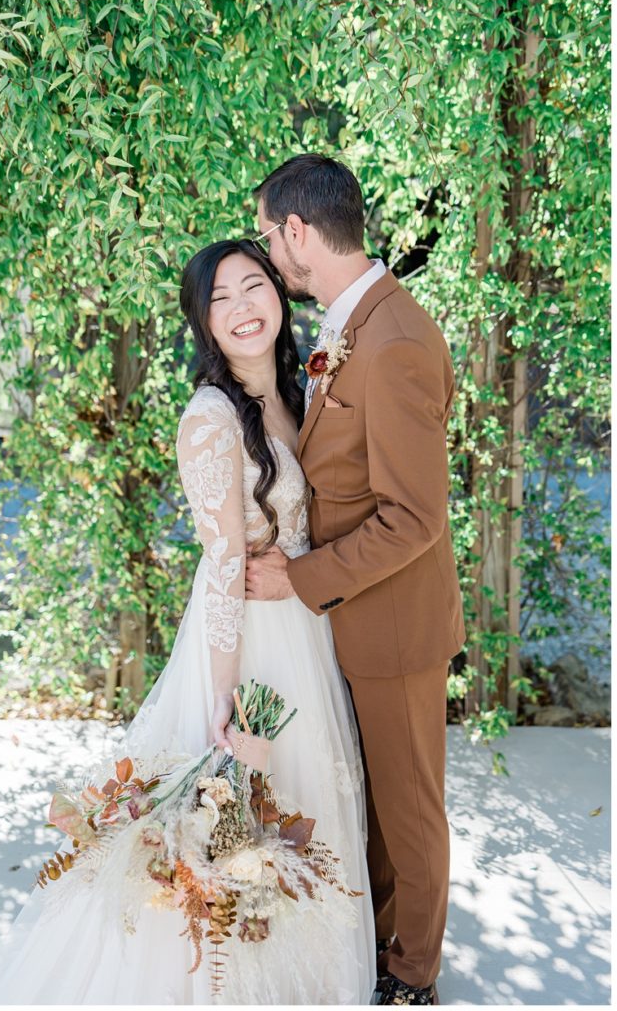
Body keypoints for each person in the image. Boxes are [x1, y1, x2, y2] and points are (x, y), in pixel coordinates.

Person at [0, 239, 376, 1004]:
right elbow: (222, 562)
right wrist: (218, 694)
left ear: (280, 296)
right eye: (220, 300)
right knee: (232, 822)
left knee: (301, 811)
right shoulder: (209, 417)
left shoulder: (299, 391)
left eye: (253, 286)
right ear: (202, 323)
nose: (242, 307)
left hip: (306, 633)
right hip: (248, 643)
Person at [246, 154, 465, 1005]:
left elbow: (415, 518)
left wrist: (301, 580)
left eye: (269, 236)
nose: (270, 256)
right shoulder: (355, 325)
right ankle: (375, 945)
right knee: (374, 807)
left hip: (393, 623)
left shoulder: (396, 340)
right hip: (351, 617)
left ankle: (412, 976)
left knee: (408, 811)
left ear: (299, 231)